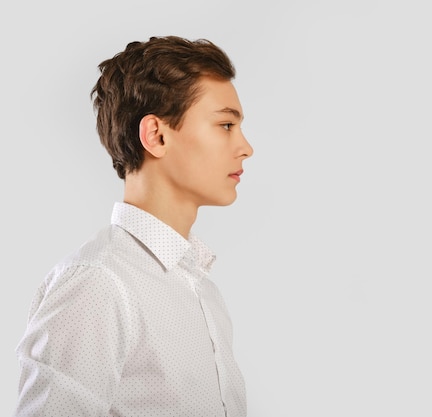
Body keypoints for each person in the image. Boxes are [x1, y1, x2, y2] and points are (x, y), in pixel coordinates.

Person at [14, 35, 253, 417]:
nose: (246, 147)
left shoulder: (203, 290)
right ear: (156, 135)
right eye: (225, 125)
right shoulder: (97, 283)